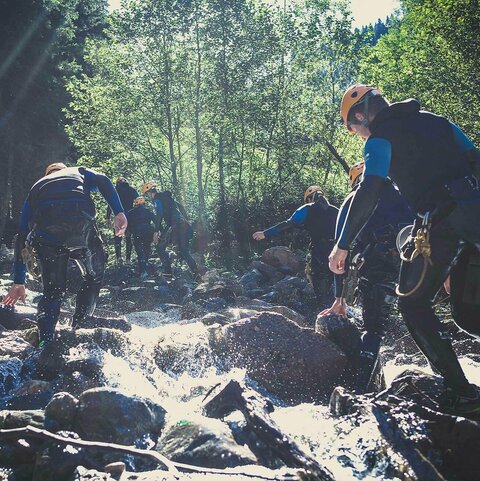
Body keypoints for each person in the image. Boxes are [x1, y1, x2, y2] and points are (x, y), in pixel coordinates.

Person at [329, 84, 480, 413]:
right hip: (474, 214)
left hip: (442, 222)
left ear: (360, 115)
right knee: (469, 315)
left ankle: (463, 395)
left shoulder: (380, 137)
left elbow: (369, 189)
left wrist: (342, 245)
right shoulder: (439, 121)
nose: (356, 133)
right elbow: (475, 160)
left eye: (353, 128)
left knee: (412, 305)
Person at [2, 163, 127, 346]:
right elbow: (103, 180)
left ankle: (45, 342)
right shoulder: (79, 171)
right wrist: (119, 211)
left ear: (48, 174)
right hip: (81, 224)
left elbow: (21, 234)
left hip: (48, 233)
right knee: (93, 277)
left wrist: (19, 281)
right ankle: (79, 328)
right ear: (64, 169)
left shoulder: (37, 186)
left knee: (53, 292)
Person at [320, 162, 413, 393]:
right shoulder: (406, 194)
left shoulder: (353, 201)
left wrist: (339, 298)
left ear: (354, 180)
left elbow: (339, 256)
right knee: (421, 320)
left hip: (376, 265)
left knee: (373, 330)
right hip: (416, 266)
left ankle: (359, 391)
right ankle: (452, 384)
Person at [253, 186, 338, 309]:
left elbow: (288, 224)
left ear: (310, 198)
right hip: (338, 250)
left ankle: (323, 311)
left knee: (319, 284)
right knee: (335, 283)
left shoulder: (307, 209)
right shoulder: (336, 210)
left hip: (319, 251)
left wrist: (265, 233)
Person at [141, 183, 199, 277]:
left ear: (149, 193)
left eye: (147, 194)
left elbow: (159, 214)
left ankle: (167, 272)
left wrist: (156, 231)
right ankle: (196, 274)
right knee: (184, 251)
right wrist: (186, 220)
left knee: (160, 248)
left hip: (174, 226)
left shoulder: (157, 200)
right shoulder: (168, 198)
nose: (148, 197)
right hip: (183, 225)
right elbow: (182, 208)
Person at [106, 177, 138, 264]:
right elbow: (138, 201)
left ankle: (119, 258)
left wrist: (107, 217)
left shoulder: (115, 190)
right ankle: (128, 259)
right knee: (128, 237)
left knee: (117, 236)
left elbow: (110, 203)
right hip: (130, 215)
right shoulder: (131, 190)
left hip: (119, 215)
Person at [126, 196, 156, 279]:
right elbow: (155, 220)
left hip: (137, 232)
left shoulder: (130, 212)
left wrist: (128, 231)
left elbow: (126, 223)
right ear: (144, 203)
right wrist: (156, 231)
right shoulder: (148, 211)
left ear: (135, 203)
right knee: (147, 248)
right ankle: (145, 266)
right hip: (147, 232)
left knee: (139, 251)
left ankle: (143, 271)